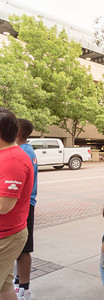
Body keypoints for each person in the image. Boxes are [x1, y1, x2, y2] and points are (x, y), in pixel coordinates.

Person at [0, 108, 33, 300]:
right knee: (4, 287)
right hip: (7, 234)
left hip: (6, 237)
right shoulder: (8, 155)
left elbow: (5, 205)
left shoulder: (13, 159)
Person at [14, 119, 38, 300]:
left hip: (23, 206)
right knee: (20, 247)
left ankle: (24, 288)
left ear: (18, 132)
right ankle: (19, 282)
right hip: (25, 205)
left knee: (23, 249)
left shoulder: (22, 153)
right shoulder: (27, 150)